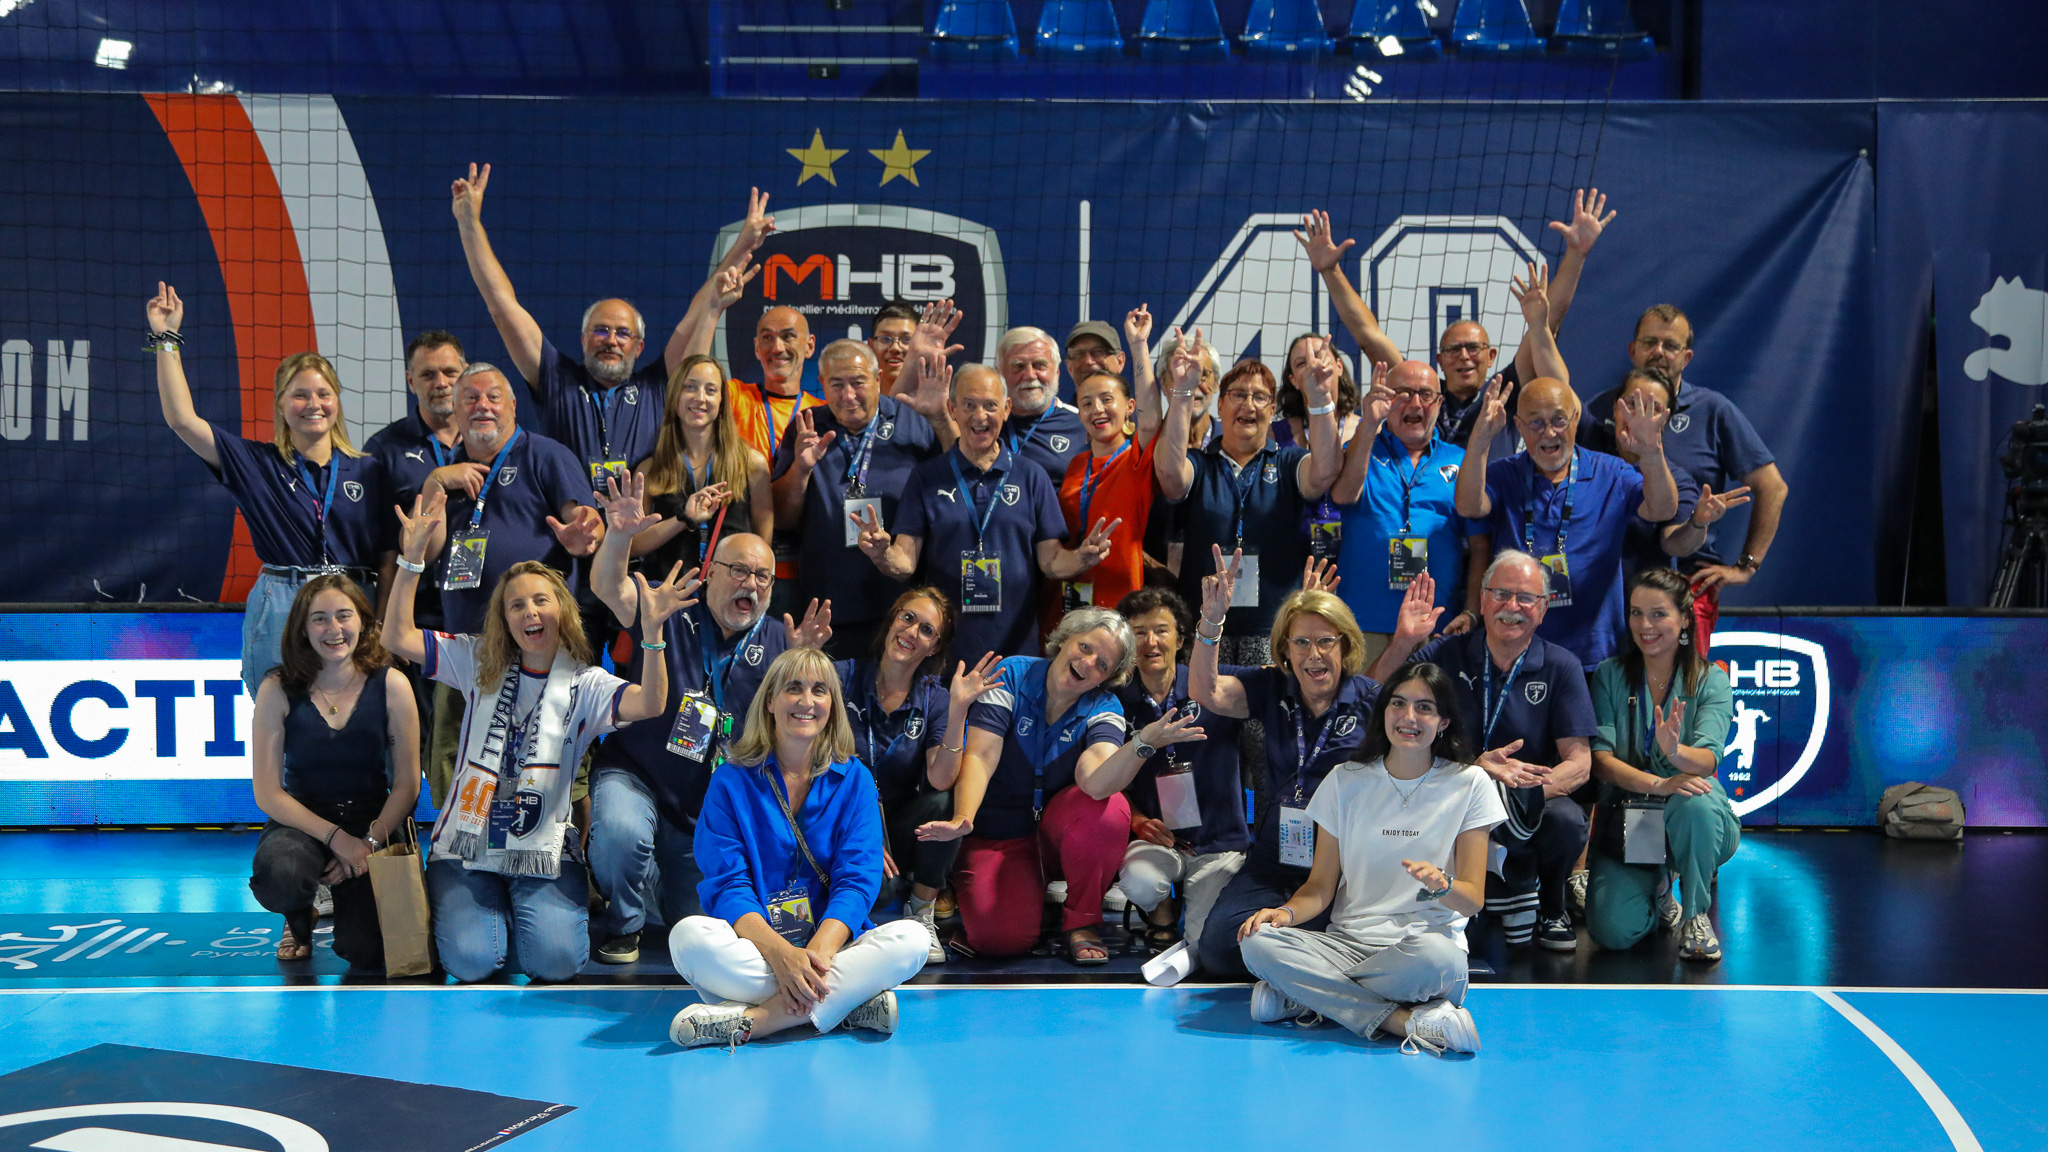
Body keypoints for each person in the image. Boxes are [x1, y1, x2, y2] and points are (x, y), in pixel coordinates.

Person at [384, 487, 689, 983]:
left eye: (541, 601)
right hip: (468, 843)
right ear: (503, 620)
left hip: (541, 847)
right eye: (516, 605)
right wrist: (412, 560)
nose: (530, 613)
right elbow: (395, 637)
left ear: (562, 610)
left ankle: (514, 908)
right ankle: (478, 906)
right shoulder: (476, 659)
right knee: (472, 962)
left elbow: (651, 703)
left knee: (557, 963)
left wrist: (653, 635)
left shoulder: (585, 683)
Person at [584, 474, 832, 964]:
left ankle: (652, 884)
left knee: (695, 923)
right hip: (638, 775)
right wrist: (617, 537)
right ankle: (624, 921)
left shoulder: (782, 645)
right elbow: (609, 586)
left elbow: (799, 742)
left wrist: (801, 673)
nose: (752, 585)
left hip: (702, 809)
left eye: (763, 577)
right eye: (739, 571)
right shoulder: (668, 603)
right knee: (619, 831)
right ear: (710, 572)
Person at [1237, 664, 1506, 1056]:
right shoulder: (1345, 780)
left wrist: (1444, 885)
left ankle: (1309, 995)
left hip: (1420, 951)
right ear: (1384, 712)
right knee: (1257, 941)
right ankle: (1406, 1021)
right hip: (1346, 943)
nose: (1409, 717)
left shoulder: (1471, 784)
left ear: (1444, 721)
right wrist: (1287, 915)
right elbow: (1319, 887)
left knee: (1442, 960)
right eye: (1398, 703)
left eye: (1425, 708)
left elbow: (1472, 900)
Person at [667, 648, 930, 1049]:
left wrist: (814, 956)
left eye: (820, 691)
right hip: (757, 950)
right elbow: (728, 887)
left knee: (913, 940)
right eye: (794, 688)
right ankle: (845, 1005)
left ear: (832, 705)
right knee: (687, 938)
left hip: (831, 949)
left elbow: (857, 883)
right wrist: (783, 956)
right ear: (770, 701)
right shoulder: (729, 782)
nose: (807, 701)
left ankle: (760, 1020)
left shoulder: (855, 778)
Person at [917, 608, 1202, 964]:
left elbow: (1095, 781)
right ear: (1064, 638)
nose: (1088, 663)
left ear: (1109, 677)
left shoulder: (1103, 705)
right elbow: (980, 757)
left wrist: (1142, 743)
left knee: (1111, 806)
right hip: (997, 834)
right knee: (1000, 940)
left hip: (1055, 837)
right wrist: (964, 816)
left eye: (1103, 664)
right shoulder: (1012, 674)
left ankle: (1081, 923)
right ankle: (1008, 897)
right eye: (1084, 647)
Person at [147, 283, 389, 699]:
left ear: (336, 402)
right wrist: (166, 339)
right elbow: (182, 420)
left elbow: (389, 555)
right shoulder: (256, 463)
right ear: (280, 404)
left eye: (322, 394)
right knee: (282, 729)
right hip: (282, 605)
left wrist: (384, 621)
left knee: (362, 727)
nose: (313, 403)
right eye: (299, 395)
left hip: (355, 606)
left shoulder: (369, 469)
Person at [1367, 553, 1596, 955]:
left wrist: (1522, 799)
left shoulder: (1562, 665)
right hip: (1448, 792)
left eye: (1525, 598)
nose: (1512, 607)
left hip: (1527, 800)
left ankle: (1550, 905)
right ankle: (1486, 896)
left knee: (1567, 821)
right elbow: (1370, 695)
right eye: (1501, 594)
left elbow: (1579, 764)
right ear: (1483, 600)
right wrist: (1404, 640)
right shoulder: (1446, 653)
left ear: (1543, 609)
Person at [414, 364, 603, 808]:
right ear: (454, 414)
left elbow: (585, 523)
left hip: (538, 650)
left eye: (493, 397)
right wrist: (436, 482)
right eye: (471, 399)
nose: (482, 405)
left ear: (513, 407)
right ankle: (458, 861)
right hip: (466, 651)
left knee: (556, 772)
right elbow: (425, 551)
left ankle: (574, 863)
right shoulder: (449, 475)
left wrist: (584, 536)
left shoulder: (546, 455)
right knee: (453, 764)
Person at [1191, 559, 1381, 978]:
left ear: (1346, 646)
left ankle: (1287, 968)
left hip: (1341, 867)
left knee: (1298, 936)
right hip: (1274, 857)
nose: (1313, 654)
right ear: (1285, 650)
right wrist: (1211, 623)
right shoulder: (1271, 686)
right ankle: (1293, 970)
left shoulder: (1373, 701)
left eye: (1325, 641)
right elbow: (1205, 691)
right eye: (1300, 643)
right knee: (1220, 950)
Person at [855, 364, 1119, 666]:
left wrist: (1082, 558)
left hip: (1017, 651)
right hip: (941, 651)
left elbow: (1051, 561)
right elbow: (904, 562)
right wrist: (881, 554)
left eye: (990, 406)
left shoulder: (1032, 476)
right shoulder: (927, 477)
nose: (980, 417)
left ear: (1006, 409)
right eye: (969, 405)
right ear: (952, 409)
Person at [1295, 201, 1610, 449]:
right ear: (1438, 361)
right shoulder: (1419, 392)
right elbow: (1368, 336)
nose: (1464, 356)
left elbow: (1546, 322)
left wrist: (1576, 254)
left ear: (1491, 356)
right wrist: (1331, 272)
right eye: (1453, 349)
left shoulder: (1508, 390)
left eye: (1474, 348)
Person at [449, 163, 681, 485]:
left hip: (641, 533)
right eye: (600, 330)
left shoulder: (656, 388)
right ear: (584, 340)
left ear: (639, 346)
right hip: (568, 527)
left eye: (623, 333)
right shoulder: (557, 379)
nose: (611, 340)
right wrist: (469, 224)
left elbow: (704, 312)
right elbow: (502, 308)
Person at [1581, 304, 1789, 652]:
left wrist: (1746, 567)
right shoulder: (1603, 407)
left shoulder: (1713, 410)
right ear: (1633, 350)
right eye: (1649, 342)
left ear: (1687, 356)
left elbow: (1773, 488)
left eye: (1670, 345)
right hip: (1609, 577)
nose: (1658, 352)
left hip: (1687, 578)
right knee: (1608, 695)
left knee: (1677, 697)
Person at [247, 575, 420, 968]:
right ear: (303, 630)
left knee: (371, 953)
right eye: (319, 619)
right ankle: (298, 915)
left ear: (362, 621)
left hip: (372, 820)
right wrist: (337, 839)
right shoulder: (277, 687)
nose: (334, 629)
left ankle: (353, 905)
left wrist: (369, 844)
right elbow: (268, 793)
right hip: (304, 818)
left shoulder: (392, 684)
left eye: (344, 615)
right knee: (281, 875)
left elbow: (408, 784)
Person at [1455, 372, 1679, 672]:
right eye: (1536, 422)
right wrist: (1481, 439)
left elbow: (1662, 509)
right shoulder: (1504, 473)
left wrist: (1652, 452)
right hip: (1517, 651)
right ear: (1519, 426)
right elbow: (1469, 505)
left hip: (1596, 656)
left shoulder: (1610, 471)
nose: (1549, 433)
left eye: (1559, 420)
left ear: (1575, 420)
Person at [1154, 332, 1344, 665]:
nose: (1248, 404)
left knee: (1264, 718)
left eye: (1259, 397)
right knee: (1202, 717)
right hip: (1204, 627)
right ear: (1221, 404)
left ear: (1272, 409)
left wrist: (1318, 399)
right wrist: (1182, 394)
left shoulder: (1287, 462)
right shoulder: (1199, 464)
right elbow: (1169, 477)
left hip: (1272, 630)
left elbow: (1325, 471)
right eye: (1238, 394)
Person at [1586, 568, 1740, 962]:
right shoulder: (1608, 676)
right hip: (1634, 819)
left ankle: (1695, 915)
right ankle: (1658, 887)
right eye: (1636, 613)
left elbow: (1705, 761)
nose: (1645, 625)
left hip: (1693, 817)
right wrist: (1658, 783)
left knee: (1695, 798)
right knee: (1612, 932)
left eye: (1658, 614)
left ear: (1684, 619)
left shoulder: (1711, 680)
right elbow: (1601, 762)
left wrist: (1675, 754)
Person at [775, 340, 944, 658]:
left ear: (879, 378)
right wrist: (801, 469)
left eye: (858, 382)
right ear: (821, 384)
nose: (848, 395)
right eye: (837, 385)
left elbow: (945, 503)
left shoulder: (914, 425)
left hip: (901, 613)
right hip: (826, 613)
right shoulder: (806, 427)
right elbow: (783, 519)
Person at [833, 588, 966, 963]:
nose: (911, 632)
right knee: (881, 892)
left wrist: (957, 711)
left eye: (927, 630)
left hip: (899, 821)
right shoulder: (843, 676)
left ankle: (922, 912)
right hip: (843, 815)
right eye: (907, 618)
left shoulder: (934, 698)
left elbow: (940, 779)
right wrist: (865, 829)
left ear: (935, 647)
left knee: (945, 802)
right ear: (893, 620)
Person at [1114, 587, 1248, 960]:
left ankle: (1193, 914)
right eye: (1138, 632)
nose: (1150, 642)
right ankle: (1160, 915)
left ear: (1181, 639)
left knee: (1204, 947)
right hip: (1155, 837)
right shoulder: (1114, 700)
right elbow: (1102, 773)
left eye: (1161, 630)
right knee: (1141, 881)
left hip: (1218, 840)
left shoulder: (1216, 686)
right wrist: (1138, 820)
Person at [1329, 360, 1485, 666]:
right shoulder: (1360, 447)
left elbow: (1481, 548)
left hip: (1436, 625)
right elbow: (1343, 495)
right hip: (1363, 624)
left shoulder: (1460, 461)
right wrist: (1369, 425)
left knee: (1432, 713)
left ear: (1440, 403)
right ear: (1386, 400)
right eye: (1403, 394)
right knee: (1365, 711)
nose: (1416, 404)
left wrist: (1470, 612)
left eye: (1426, 395)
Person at [631, 352, 774, 581]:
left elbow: (762, 545)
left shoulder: (752, 464)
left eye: (710, 390)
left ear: (721, 402)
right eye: (690, 387)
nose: (700, 398)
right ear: (675, 396)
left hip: (730, 598)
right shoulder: (649, 470)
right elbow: (634, 545)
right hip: (667, 598)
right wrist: (683, 519)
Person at [1044, 366, 1159, 637]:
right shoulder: (1076, 465)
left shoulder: (1138, 460)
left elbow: (1152, 421)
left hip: (1119, 605)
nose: (1097, 409)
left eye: (1107, 399)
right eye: (1086, 403)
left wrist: (1139, 345)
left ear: (1130, 406)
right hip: (1067, 600)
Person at [998, 326, 1088, 484]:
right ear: (1000, 374)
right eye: (1018, 366)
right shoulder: (985, 424)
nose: (1030, 375)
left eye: (1040, 365)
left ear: (1057, 373)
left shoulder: (1083, 424)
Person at [1064, 319, 1127, 406]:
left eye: (1098, 352)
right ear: (1069, 367)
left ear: (1120, 361)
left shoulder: (1141, 416)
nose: (1088, 361)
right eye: (1079, 354)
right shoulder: (1062, 418)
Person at [869, 300, 921, 393]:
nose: (895, 348)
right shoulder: (854, 401)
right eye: (885, 339)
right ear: (871, 346)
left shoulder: (931, 404)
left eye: (906, 339)